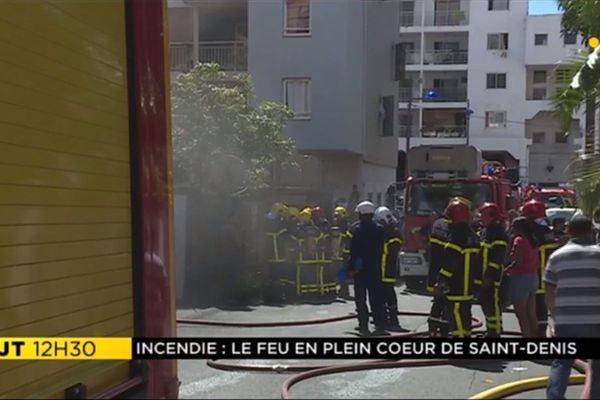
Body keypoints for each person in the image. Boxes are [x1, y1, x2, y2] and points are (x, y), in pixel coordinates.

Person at [544, 215, 600, 400]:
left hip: (566, 320)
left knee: (562, 362)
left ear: (568, 231)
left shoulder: (557, 256)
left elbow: (549, 291)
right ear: (591, 231)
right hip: (595, 320)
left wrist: (554, 317)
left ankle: (554, 397)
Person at [434, 200, 480, 338]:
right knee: (466, 315)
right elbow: (479, 262)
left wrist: (441, 281)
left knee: (455, 315)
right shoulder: (473, 236)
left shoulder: (456, 237)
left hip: (456, 286)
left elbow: (450, 262)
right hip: (470, 286)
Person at [348, 201, 388, 336]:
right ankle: (380, 326)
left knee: (360, 298)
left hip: (361, 269)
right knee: (376, 298)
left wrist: (351, 268)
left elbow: (354, 252)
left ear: (362, 214)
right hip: (375, 268)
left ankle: (363, 325)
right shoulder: (380, 229)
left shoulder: (357, 230)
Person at [523, 199, 558, 337]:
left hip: (529, 272)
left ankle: (531, 332)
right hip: (546, 272)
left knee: (528, 304)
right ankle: (541, 331)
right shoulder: (546, 231)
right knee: (541, 304)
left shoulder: (526, 231)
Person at [477, 202, 509, 337]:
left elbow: (498, 256)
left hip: (492, 278)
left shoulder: (498, 232)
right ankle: (492, 329)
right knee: (486, 304)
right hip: (484, 276)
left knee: (492, 304)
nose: (480, 218)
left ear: (491, 216)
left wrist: (489, 275)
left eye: (483, 216)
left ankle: (494, 332)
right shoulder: (486, 231)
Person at [505, 217, 539, 338]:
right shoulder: (532, 239)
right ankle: (536, 336)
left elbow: (518, 262)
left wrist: (506, 270)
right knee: (531, 312)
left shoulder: (519, 240)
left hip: (520, 278)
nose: (512, 228)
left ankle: (527, 337)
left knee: (521, 313)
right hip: (533, 276)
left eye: (513, 225)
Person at [374, 206, 407, 332]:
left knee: (389, 294)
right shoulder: (384, 232)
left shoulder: (394, 234)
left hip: (388, 270)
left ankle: (393, 319)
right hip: (380, 270)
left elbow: (392, 251)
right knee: (380, 295)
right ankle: (382, 317)